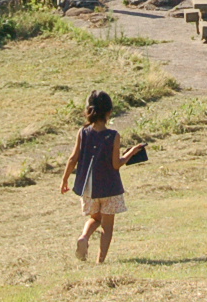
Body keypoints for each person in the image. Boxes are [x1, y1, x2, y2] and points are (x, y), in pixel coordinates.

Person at [60, 90, 146, 263]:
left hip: (89, 188)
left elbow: (73, 158)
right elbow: (116, 164)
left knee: (95, 218)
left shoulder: (82, 132)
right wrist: (130, 152)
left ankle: (84, 237)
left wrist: (64, 180)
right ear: (109, 112)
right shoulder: (113, 136)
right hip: (110, 188)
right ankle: (100, 261)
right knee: (107, 226)